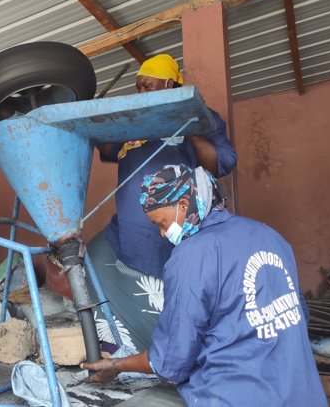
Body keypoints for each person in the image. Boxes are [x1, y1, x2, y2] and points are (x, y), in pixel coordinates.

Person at [82, 164, 327, 407]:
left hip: (235, 395)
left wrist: (116, 365)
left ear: (183, 206)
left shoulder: (192, 255)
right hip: (301, 392)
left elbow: (171, 360)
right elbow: (299, 316)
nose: (163, 234)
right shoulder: (269, 235)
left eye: (162, 223)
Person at [86, 54, 237, 351]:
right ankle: (125, 350)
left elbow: (220, 163)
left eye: (147, 86)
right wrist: (94, 116)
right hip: (129, 233)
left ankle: (178, 354)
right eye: (138, 87)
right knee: (93, 258)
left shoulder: (200, 116)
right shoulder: (133, 120)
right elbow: (106, 145)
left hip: (174, 234)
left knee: (180, 291)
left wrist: (189, 124)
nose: (141, 92)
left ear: (169, 84)